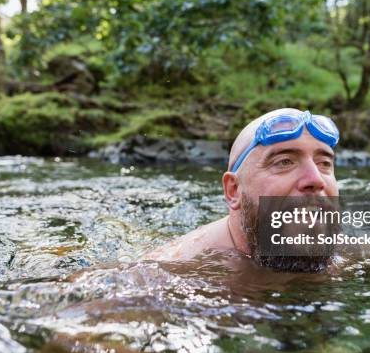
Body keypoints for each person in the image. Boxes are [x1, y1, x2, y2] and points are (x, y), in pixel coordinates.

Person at [143, 108, 346, 272]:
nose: (316, 180)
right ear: (233, 190)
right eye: (284, 162)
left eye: (324, 163)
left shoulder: (353, 255)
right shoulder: (167, 275)